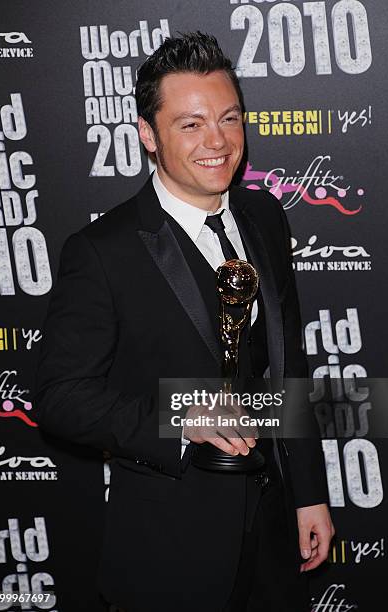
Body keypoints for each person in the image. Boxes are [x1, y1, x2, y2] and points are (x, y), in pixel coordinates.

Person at [34, 32, 334, 612]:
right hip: (168, 549)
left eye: (229, 118)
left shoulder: (266, 215)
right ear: (148, 135)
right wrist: (181, 418)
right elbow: (59, 396)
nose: (218, 141)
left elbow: (288, 363)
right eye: (190, 124)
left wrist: (309, 494)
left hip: (274, 540)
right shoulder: (103, 250)